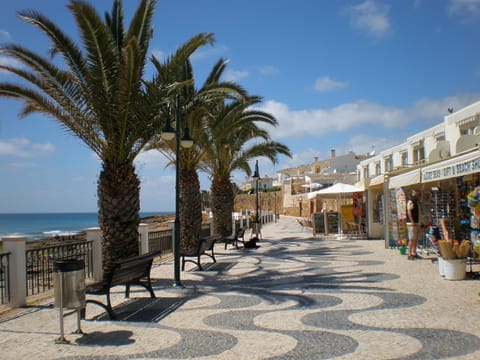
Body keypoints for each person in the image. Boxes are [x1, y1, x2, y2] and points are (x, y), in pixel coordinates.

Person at [406, 190, 422, 260]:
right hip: (412, 223)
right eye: (419, 195)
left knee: (415, 239)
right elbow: (409, 211)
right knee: (412, 239)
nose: (420, 196)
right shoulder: (411, 201)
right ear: (415, 195)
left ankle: (414, 252)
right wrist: (412, 221)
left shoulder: (417, 202)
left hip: (417, 223)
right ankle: (409, 254)